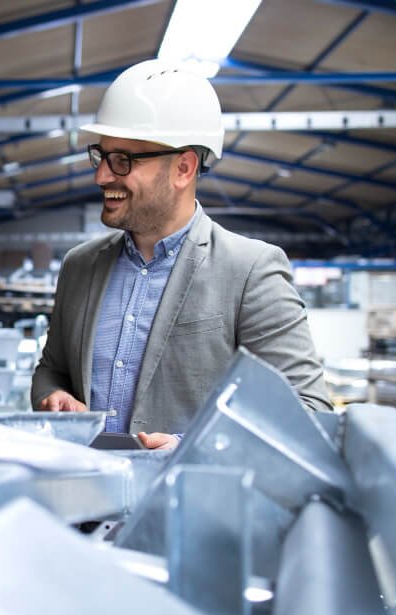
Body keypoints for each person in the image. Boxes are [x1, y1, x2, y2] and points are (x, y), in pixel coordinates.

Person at [31, 59, 332, 449]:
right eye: (100, 156)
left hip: (193, 504)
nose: (101, 176)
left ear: (184, 168)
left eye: (122, 160)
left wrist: (191, 449)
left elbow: (307, 414)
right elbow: (51, 370)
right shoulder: (80, 267)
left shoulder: (250, 271)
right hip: (85, 502)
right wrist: (52, 396)